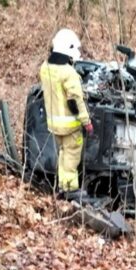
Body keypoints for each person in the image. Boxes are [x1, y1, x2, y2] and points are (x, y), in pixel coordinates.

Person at [39, 28, 94, 201]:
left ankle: (62, 186)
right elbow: (75, 101)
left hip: (53, 123)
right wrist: (86, 122)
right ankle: (71, 189)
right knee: (72, 154)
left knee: (63, 152)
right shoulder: (69, 73)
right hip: (70, 126)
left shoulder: (45, 68)